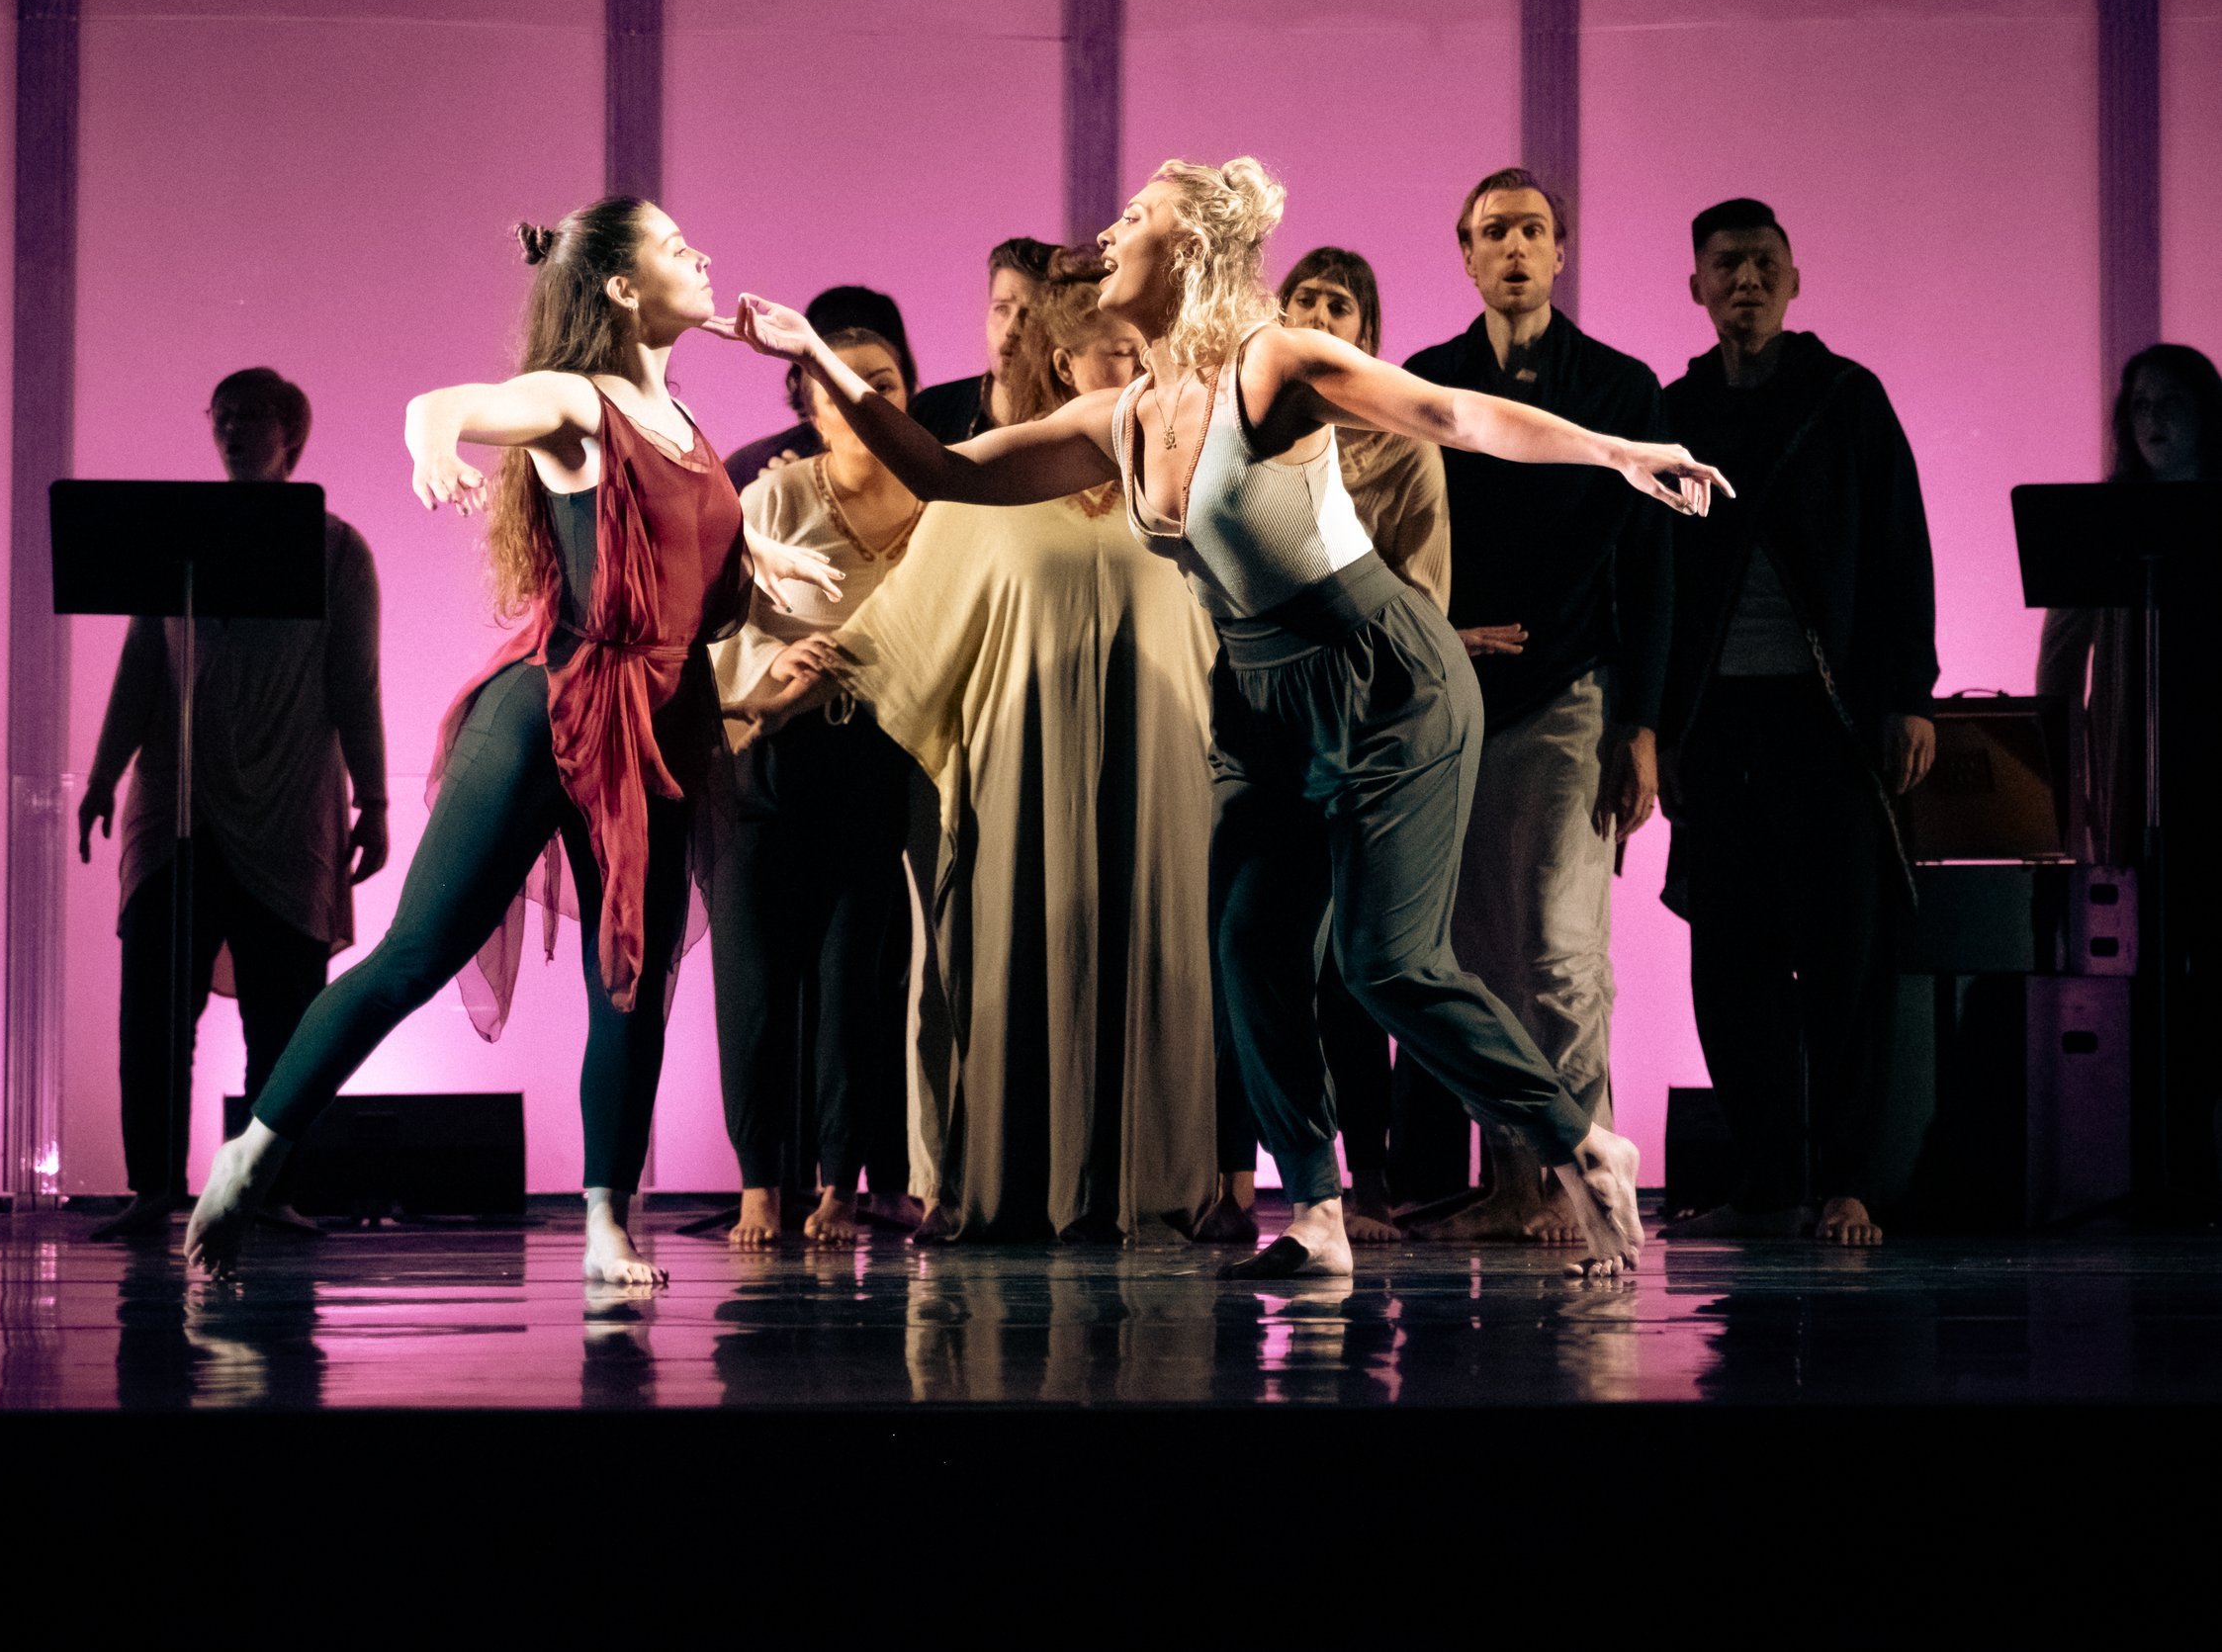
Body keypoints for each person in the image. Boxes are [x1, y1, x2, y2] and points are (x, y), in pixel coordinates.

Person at [731, 158, 1728, 1276]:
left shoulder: (1271, 364)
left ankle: (1578, 1140)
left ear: (1194, 247)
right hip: (1256, 700)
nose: (1111, 233)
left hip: (1380, 676)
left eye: (1137, 217)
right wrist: (816, 356)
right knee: (1250, 951)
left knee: (1384, 963)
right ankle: (1316, 1211)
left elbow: (1449, 411)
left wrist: (1616, 450)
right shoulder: (1119, 416)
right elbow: (945, 470)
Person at [183, 200, 842, 1282]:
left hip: (658, 725)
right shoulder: (578, 399)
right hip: (553, 711)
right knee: (413, 955)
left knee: (630, 981)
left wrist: (765, 566)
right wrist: (433, 448)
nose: (701, 257)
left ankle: (605, 1224)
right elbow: (440, 404)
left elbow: (686, 551)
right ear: (622, 288)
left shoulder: (682, 421)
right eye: (675, 248)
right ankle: (252, 1150)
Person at [746, 252, 1219, 1241]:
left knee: (1158, 953)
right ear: (1062, 360)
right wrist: (773, 698)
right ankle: (1004, 1184)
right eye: (1113, 350)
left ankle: (1157, 1185)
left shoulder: (1183, 477)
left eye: (1145, 349)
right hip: (1022, 777)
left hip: (1159, 771)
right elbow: (898, 627)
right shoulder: (995, 478)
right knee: (1017, 957)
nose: (1135, 366)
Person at [1399, 170, 1672, 1248]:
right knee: (1476, 958)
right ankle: (1515, 1179)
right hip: (1457, 695)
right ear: (1465, 254)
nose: (1513, 247)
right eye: (1493, 232)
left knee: (1560, 948)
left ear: (1560, 251)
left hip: (1571, 688)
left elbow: (1652, 565)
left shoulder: (1617, 387)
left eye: (1531, 230)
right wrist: (1437, 636)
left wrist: (1641, 723)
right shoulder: (1426, 382)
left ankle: (1579, 1173)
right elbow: (1394, 538)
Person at [1658, 199, 1937, 1248]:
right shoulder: (1675, 410)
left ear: (1794, 279)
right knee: (1728, 961)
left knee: (1843, 958)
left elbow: (1901, 550)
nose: (1746, 279)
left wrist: (1908, 694)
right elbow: (1653, 582)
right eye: (1726, 264)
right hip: (1719, 721)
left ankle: (1850, 1182)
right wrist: (1654, 726)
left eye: (1764, 262)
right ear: (1696, 285)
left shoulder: (1845, 398)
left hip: (1829, 720)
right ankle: (1770, 1180)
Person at [78, 367, 390, 1240]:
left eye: (255, 414)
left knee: (284, 1011)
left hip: (288, 802)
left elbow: (355, 683)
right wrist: (103, 774)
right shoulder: (177, 534)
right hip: (176, 804)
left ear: (292, 432)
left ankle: (267, 1189)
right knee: (153, 1006)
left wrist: (374, 799)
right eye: (224, 414)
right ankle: (152, 1188)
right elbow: (142, 664)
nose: (236, 427)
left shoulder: (336, 549)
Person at [1195, 247, 1454, 1246]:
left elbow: (1419, 598)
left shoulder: (1397, 449)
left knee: (1354, 962)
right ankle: (1249, 1177)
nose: (1314, 313)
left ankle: (1367, 1177)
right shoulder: (1240, 429)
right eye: (1300, 298)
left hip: (1359, 714)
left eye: (1337, 304)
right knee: (1249, 944)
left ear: (1367, 334)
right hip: (1259, 711)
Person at [711, 322, 931, 1249]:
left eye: (883, 382)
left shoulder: (941, 505)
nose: (863, 399)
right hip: (769, 758)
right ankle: (762, 1186)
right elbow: (716, 621)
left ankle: (841, 1186)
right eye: (839, 386)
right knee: (755, 981)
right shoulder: (774, 496)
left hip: (875, 762)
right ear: (810, 405)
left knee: (856, 985)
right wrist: (771, 672)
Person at [2037, 342, 2222, 1208]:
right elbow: (2061, 654)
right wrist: (2062, 773)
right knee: (2138, 961)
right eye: (2141, 405)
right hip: (2136, 759)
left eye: (2172, 403)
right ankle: (2149, 1162)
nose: (2154, 420)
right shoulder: (2105, 520)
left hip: (2210, 752)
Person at [723, 287, 922, 486]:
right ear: (812, 407)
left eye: (882, 387)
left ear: (903, 382)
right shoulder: (750, 469)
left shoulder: (938, 444)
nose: (866, 407)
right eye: (839, 391)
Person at [903, 236, 1060, 444]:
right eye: (1001, 308)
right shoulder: (929, 411)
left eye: (1032, 314)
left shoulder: (1073, 421)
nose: (1012, 330)